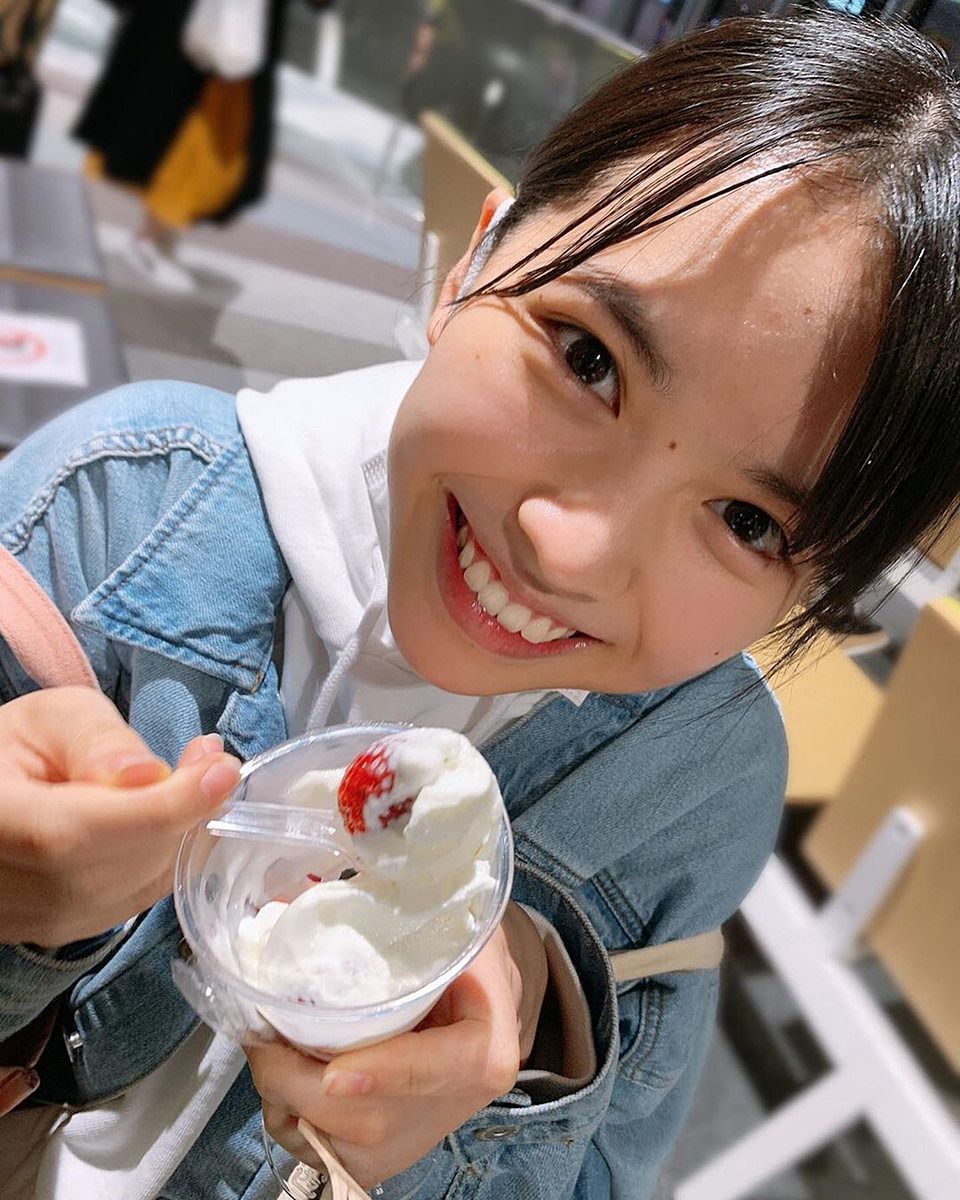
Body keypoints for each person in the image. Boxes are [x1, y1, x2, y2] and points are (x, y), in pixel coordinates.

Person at [2, 11, 960, 1198]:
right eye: (588, 358)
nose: (568, 549)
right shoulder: (111, 515)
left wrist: (521, 1064)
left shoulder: (699, 788)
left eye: (749, 522)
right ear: (475, 260)